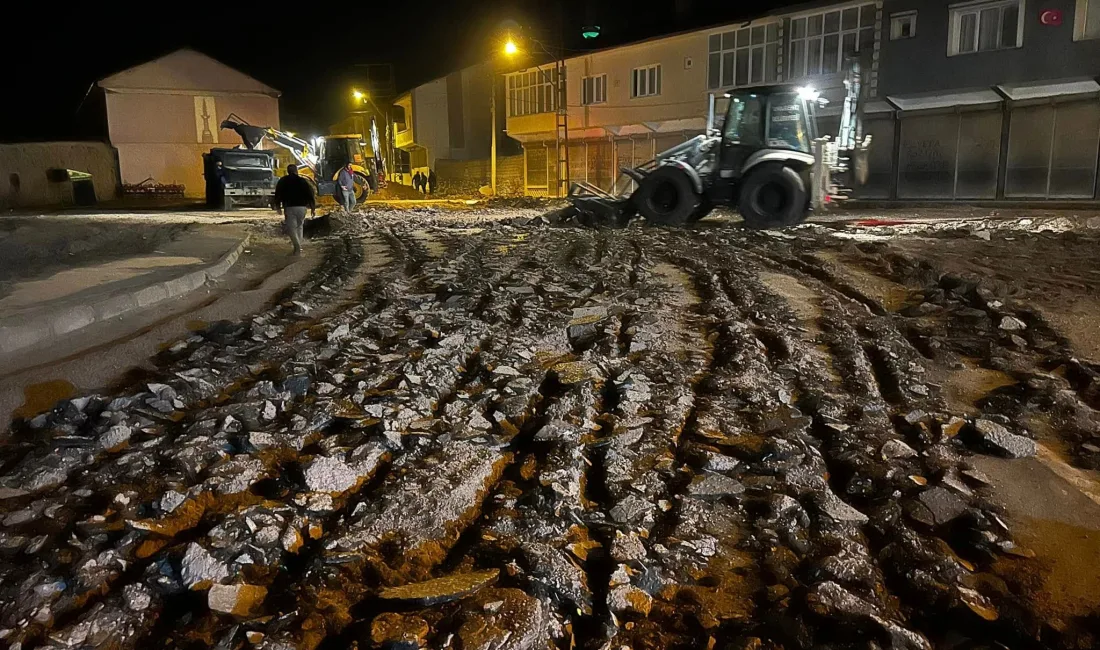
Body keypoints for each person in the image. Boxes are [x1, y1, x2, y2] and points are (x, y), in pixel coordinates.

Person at [273, 164, 315, 256]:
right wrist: (312, 208)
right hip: (302, 208)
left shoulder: (283, 181)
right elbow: (310, 194)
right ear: (296, 171)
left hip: (290, 207)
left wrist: (277, 206)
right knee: (299, 226)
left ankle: (297, 247)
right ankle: (299, 246)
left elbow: (278, 194)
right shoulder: (302, 181)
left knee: (291, 228)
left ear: (288, 171)